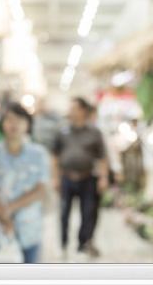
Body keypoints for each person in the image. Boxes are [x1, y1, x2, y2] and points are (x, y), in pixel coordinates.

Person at [0, 103, 49, 263]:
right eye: (9, 119)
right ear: (2, 123)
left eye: (20, 119)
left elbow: (41, 189)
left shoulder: (39, 154)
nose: (14, 124)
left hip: (29, 228)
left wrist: (10, 209)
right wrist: (5, 219)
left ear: (28, 124)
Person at [51, 97, 109, 257]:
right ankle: (63, 244)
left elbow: (102, 157)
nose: (71, 112)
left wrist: (103, 178)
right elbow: (54, 156)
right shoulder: (61, 131)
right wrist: (55, 178)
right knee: (63, 213)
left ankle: (83, 244)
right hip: (67, 178)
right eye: (70, 108)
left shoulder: (94, 132)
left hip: (88, 178)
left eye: (75, 108)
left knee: (88, 212)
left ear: (83, 111)